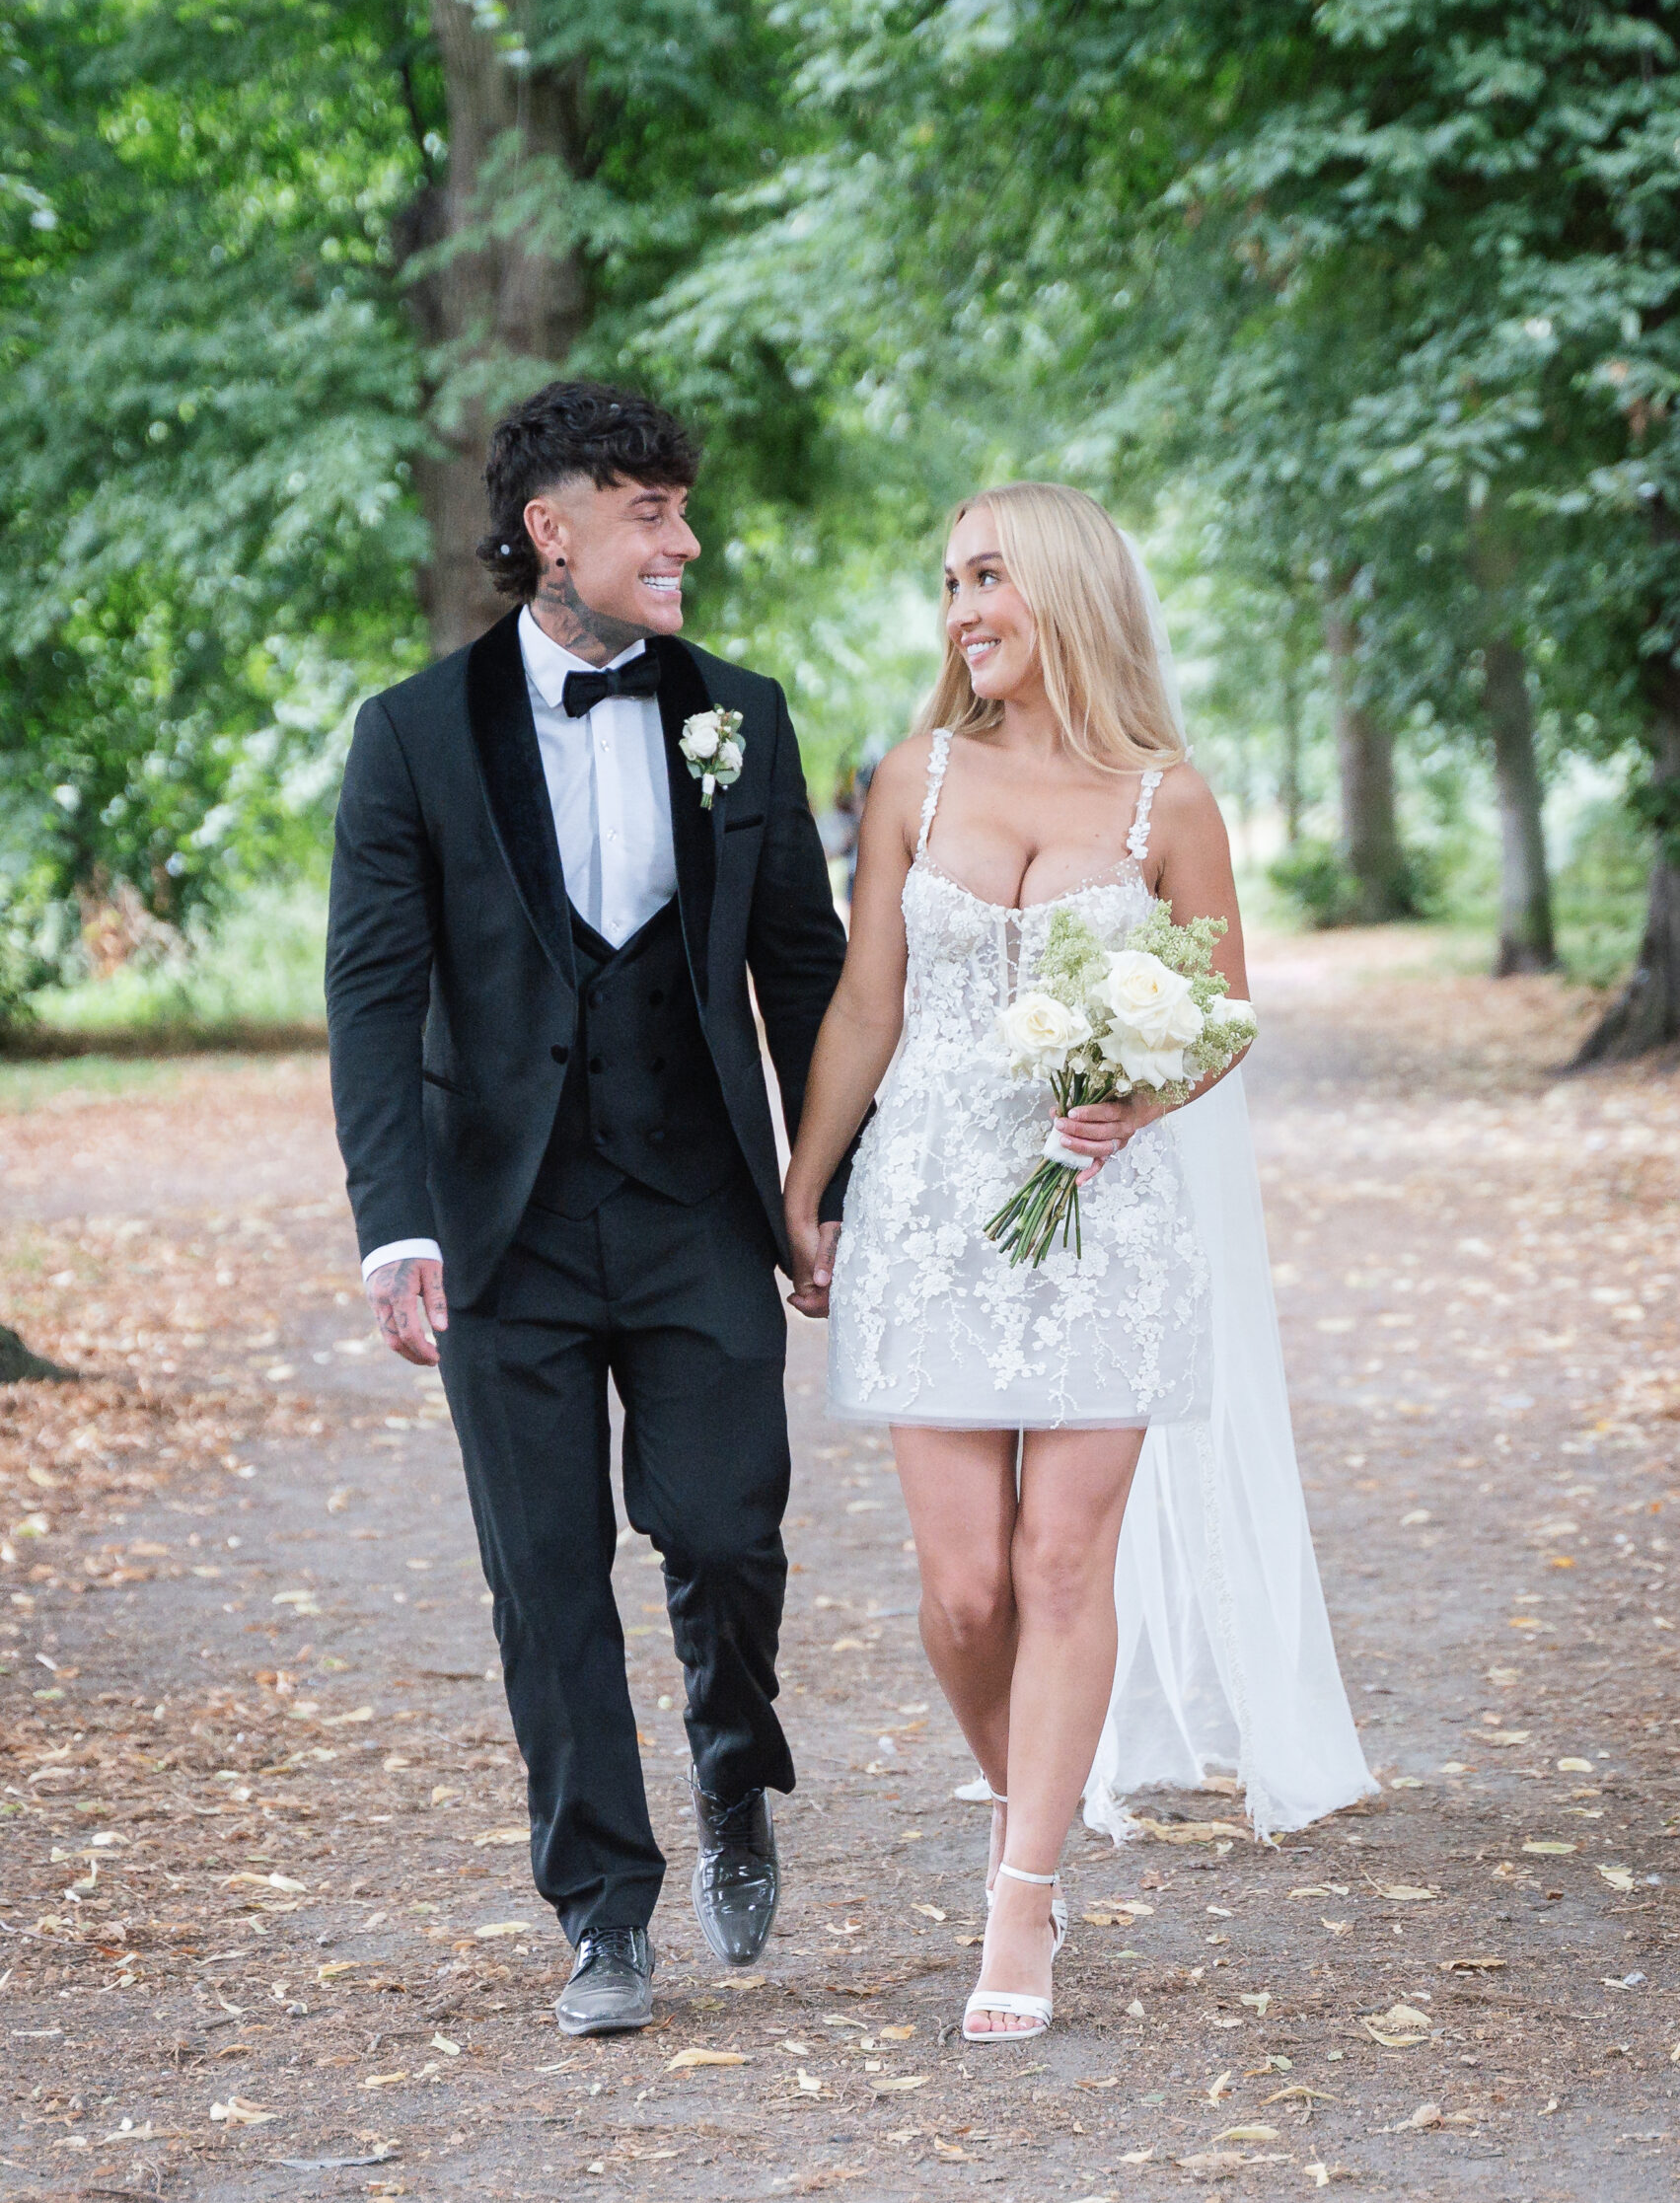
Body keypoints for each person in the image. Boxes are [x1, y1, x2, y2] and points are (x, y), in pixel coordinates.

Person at [782, 481, 1373, 2044]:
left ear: (1065, 591)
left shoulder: (1167, 801)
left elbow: (1223, 1011)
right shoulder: (913, 777)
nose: (962, 610)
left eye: (988, 578)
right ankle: (1022, 1806)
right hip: (928, 1211)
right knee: (966, 1587)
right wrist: (806, 1182)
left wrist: (1139, 1092)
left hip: (1104, 1215)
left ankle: (1022, 1895)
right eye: (950, 583)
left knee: (1059, 1563)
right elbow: (868, 1003)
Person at [326, 381, 851, 2037]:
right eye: (651, 512)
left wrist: (832, 1185)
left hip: (698, 1203)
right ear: (552, 533)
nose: (685, 539)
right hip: (505, 1224)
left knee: (726, 1530)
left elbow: (806, 971)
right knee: (545, 1573)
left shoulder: (742, 714)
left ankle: (732, 1766)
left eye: (684, 508)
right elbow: (371, 996)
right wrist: (395, 1224)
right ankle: (603, 1914)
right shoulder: (412, 734)